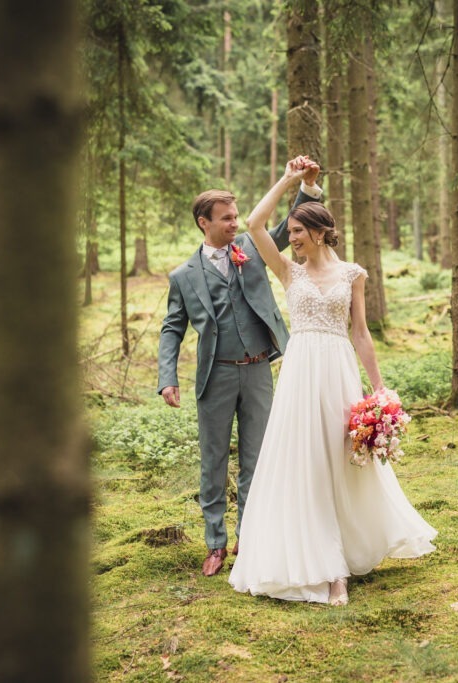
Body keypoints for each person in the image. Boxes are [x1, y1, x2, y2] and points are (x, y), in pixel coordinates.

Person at [228, 161, 437, 605]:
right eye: (292, 233)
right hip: (301, 371)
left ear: (320, 232)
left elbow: (360, 333)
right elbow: (255, 223)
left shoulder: (352, 275)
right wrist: (289, 181)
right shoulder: (289, 272)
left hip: (338, 369)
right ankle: (328, 569)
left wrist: (379, 390)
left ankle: (344, 552)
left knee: (340, 460)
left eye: (300, 231)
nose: (294, 238)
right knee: (306, 461)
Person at [157, 157, 322, 577]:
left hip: (258, 371)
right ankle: (215, 543)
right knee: (212, 463)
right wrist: (167, 378)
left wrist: (305, 186)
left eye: (235, 216)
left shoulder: (251, 247)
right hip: (215, 376)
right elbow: (172, 329)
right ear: (203, 223)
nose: (234, 223)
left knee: (258, 460)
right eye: (226, 218)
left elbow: (287, 227)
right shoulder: (183, 276)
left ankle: (250, 541)